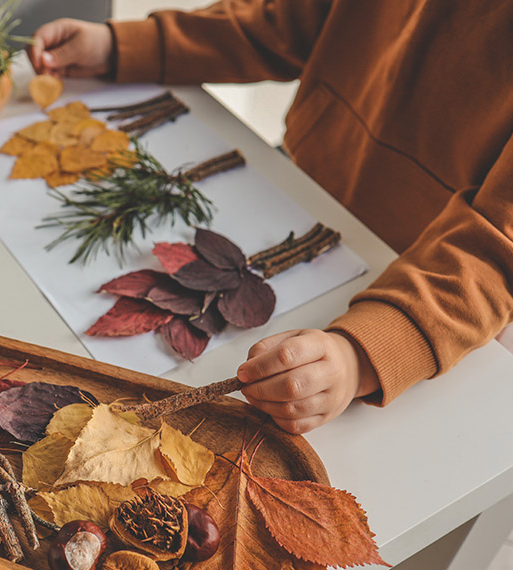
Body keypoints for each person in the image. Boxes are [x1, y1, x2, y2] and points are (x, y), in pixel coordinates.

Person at [26, 2, 513, 434]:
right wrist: (125, 45)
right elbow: (283, 22)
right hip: (301, 192)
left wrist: (361, 354)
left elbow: (496, 256)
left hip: (429, 291)